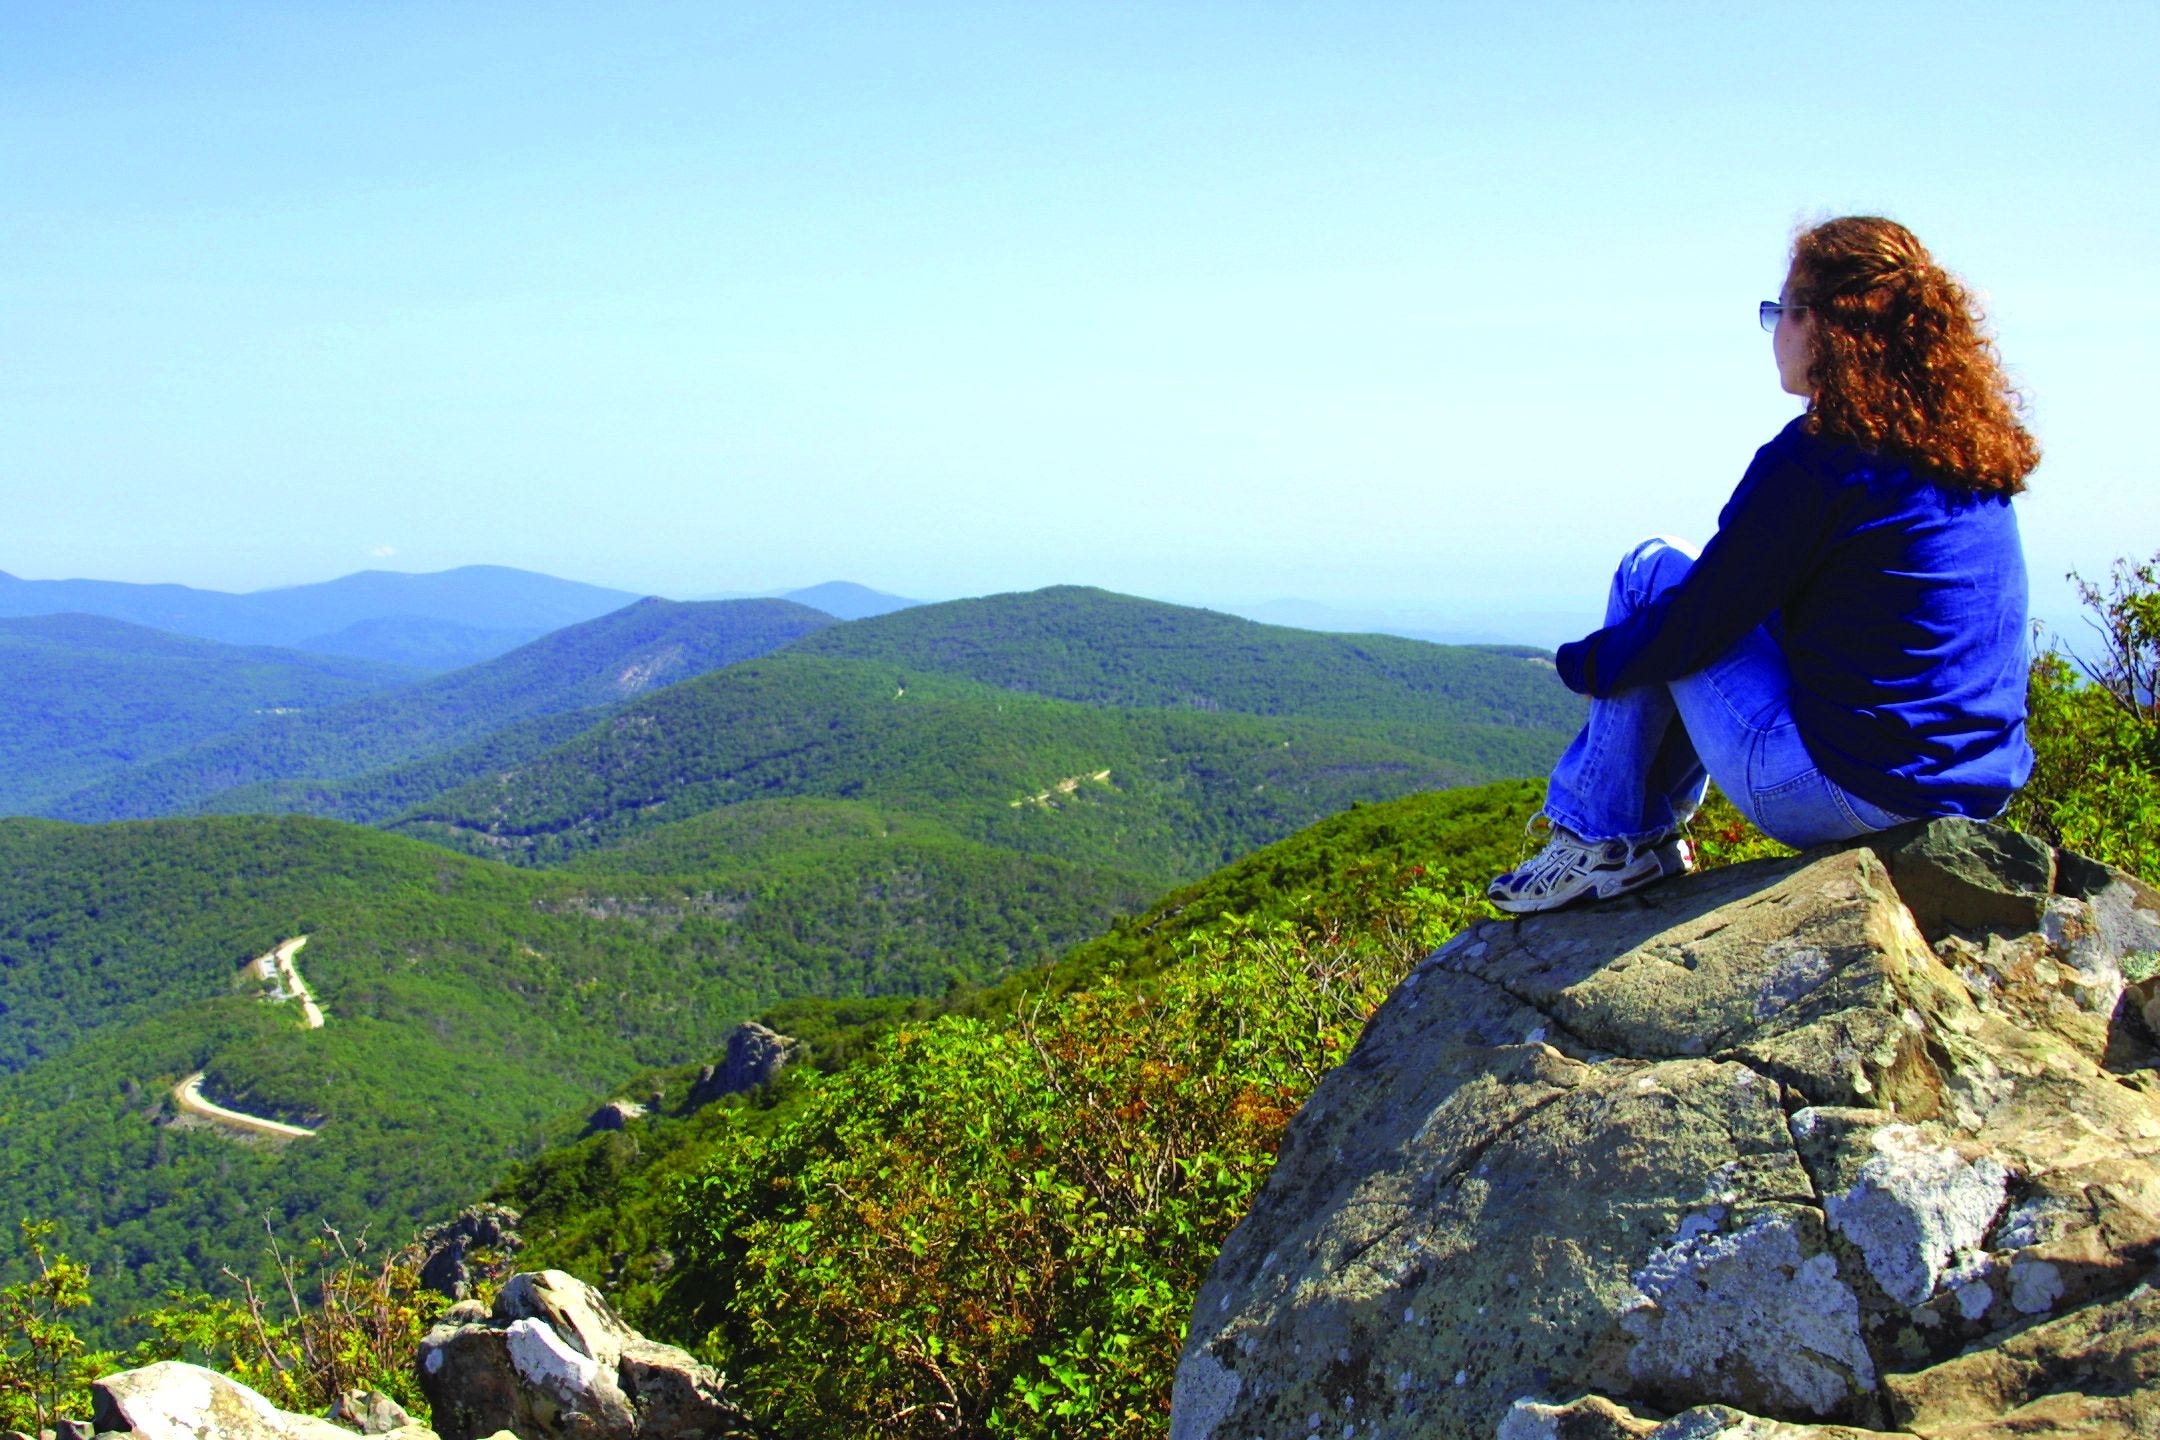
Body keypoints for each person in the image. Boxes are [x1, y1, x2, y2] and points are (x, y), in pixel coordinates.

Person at [1489, 216, 2039, 914]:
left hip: (1849, 788)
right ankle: (1634, 842)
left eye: (1782, 310)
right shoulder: (1963, 450)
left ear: (1827, 327)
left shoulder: (1820, 456)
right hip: (1974, 784)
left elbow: (1696, 625)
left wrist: (1581, 665)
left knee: (1651, 570)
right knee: (1684, 597)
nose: (1775, 330)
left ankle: (1603, 841)